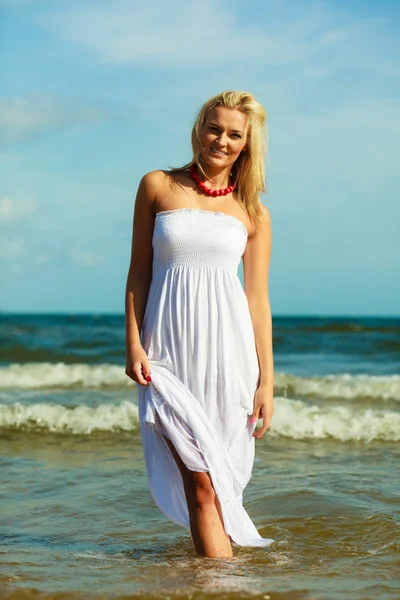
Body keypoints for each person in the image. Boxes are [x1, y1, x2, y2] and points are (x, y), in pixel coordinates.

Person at [125, 90, 274, 558]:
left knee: (216, 486)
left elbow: (257, 299)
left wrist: (266, 381)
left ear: (247, 144)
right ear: (199, 127)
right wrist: (132, 344)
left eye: (234, 134)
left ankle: (213, 583)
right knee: (201, 483)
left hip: (228, 360)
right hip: (167, 354)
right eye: (215, 128)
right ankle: (223, 585)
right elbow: (139, 274)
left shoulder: (253, 213)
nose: (221, 140)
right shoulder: (157, 185)